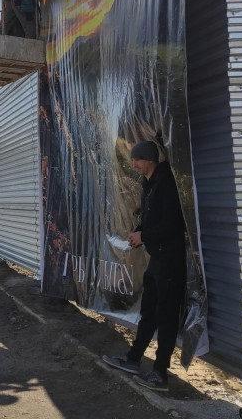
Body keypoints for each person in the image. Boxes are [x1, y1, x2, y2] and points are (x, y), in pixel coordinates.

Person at [101, 139, 187, 392]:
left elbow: (174, 223)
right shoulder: (149, 183)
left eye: (137, 160)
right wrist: (139, 232)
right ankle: (133, 359)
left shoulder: (166, 182)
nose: (134, 164)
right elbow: (152, 219)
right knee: (148, 311)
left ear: (149, 159)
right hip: (157, 259)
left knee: (166, 316)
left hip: (170, 261)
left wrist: (145, 236)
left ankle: (160, 373)